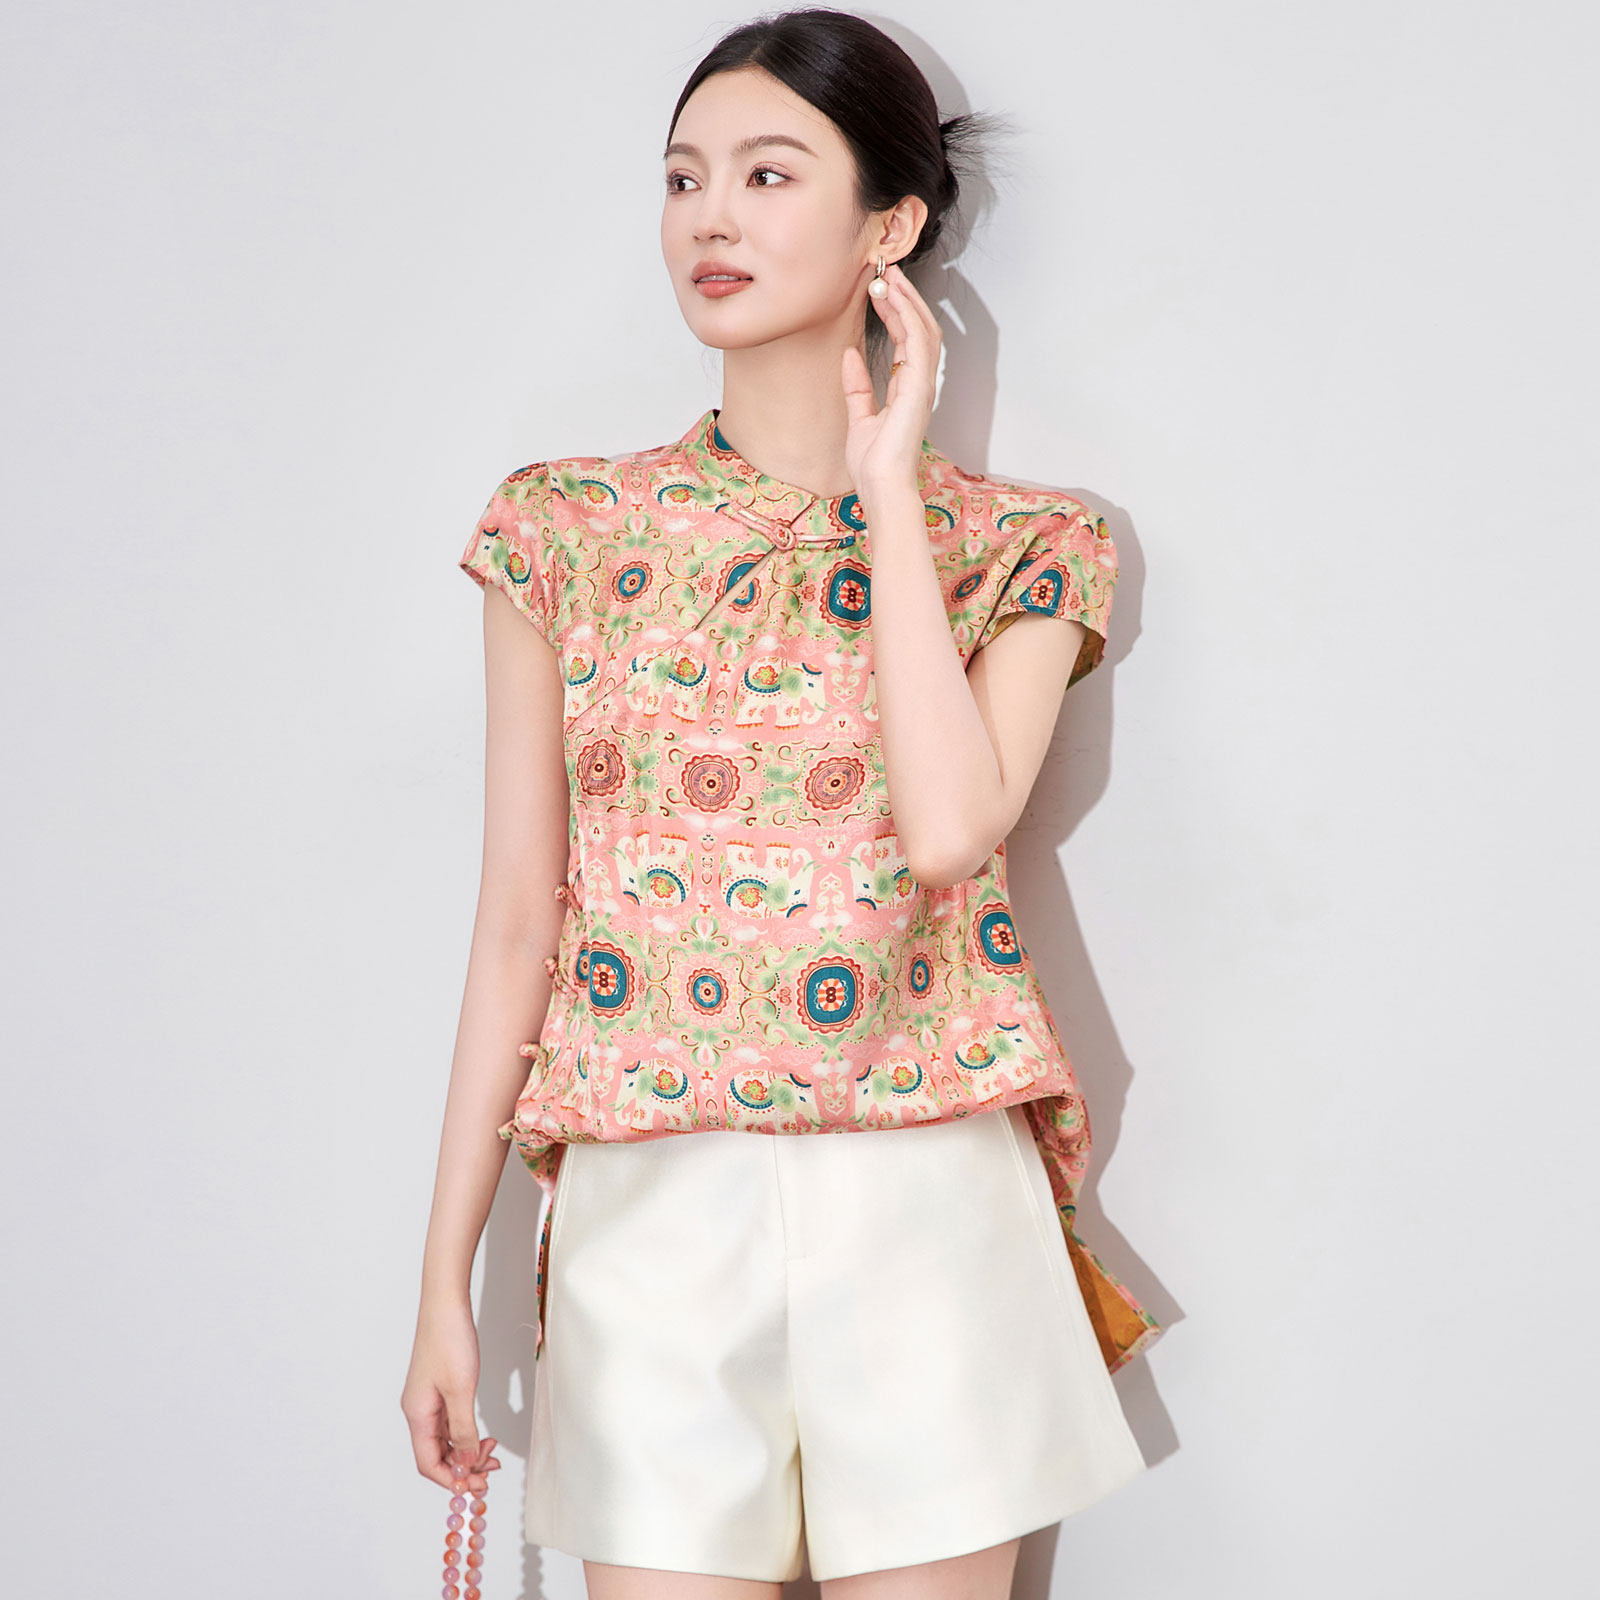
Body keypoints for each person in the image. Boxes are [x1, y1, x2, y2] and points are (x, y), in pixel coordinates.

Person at [402, 9, 1163, 1596]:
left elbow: (952, 832)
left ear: (891, 224)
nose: (711, 217)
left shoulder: (1027, 546)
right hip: (650, 1209)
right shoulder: (564, 530)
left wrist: (887, 493)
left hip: (930, 1204)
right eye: (683, 177)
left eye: (767, 173)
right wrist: (441, 1286)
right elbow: (518, 924)